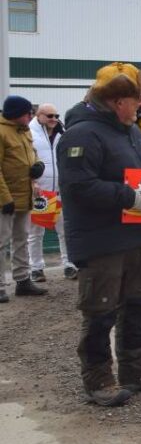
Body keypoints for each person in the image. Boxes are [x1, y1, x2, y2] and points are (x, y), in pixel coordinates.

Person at [59, 62, 141, 406]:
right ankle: (98, 379)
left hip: (135, 236)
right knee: (101, 311)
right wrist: (129, 197)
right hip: (101, 241)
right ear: (116, 101)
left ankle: (136, 370)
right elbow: (79, 186)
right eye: (136, 99)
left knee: (138, 302)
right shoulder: (82, 135)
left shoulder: (131, 131)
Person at [0, 95, 47, 301]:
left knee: (21, 240)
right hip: (6, 199)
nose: (31, 116)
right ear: (17, 113)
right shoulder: (2, 132)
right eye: (29, 112)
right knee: (1, 242)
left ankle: (22, 280)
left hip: (24, 196)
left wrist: (38, 164)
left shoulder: (24, 131)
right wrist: (4, 198)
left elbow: (33, 154)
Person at [28, 103, 76, 282]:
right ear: (38, 115)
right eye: (49, 116)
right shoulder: (30, 134)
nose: (54, 119)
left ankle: (69, 264)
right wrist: (32, 182)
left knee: (65, 230)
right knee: (36, 232)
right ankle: (36, 268)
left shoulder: (62, 134)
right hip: (41, 192)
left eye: (56, 116)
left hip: (60, 190)